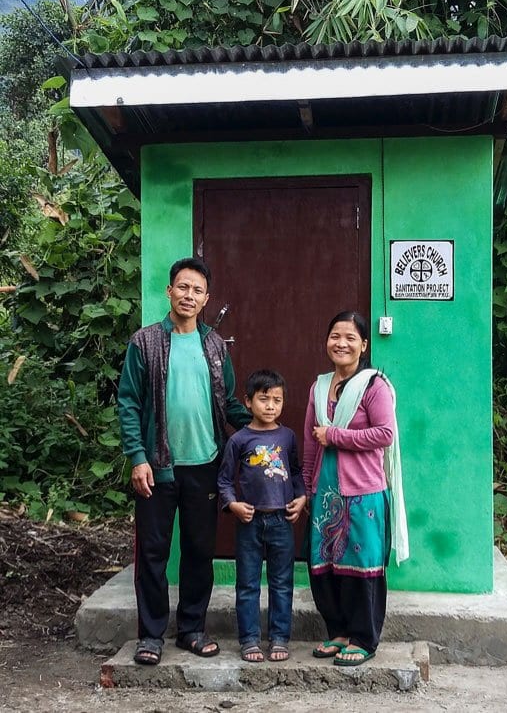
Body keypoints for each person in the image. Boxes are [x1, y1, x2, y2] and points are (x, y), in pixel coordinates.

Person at [118, 257, 251, 665]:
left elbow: (227, 402)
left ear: (206, 298)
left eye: (197, 290)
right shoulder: (145, 342)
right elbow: (128, 402)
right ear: (169, 291)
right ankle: (151, 635)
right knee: (153, 553)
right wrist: (137, 457)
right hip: (157, 467)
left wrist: (262, 428)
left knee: (198, 550)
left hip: (205, 465)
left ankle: (191, 629)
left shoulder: (213, 344)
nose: (188, 295)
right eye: (182, 287)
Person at [302, 311, 409, 667]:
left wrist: (335, 435)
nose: (341, 343)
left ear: (364, 345)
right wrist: (306, 486)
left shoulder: (374, 386)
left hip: (364, 492)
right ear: (326, 341)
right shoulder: (318, 387)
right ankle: (338, 632)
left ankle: (364, 637)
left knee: (361, 566)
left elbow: (385, 434)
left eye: (350, 338)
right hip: (326, 491)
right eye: (335, 336)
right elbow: (308, 441)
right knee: (325, 565)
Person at [218, 369, 306, 663]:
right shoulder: (239, 440)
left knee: (282, 582)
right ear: (248, 401)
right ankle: (249, 639)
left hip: (282, 521)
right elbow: (225, 481)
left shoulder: (288, 437)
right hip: (250, 521)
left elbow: (295, 472)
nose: (271, 406)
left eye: (277, 400)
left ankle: (280, 637)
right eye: (264, 399)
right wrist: (233, 505)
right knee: (248, 584)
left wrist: (301, 496)